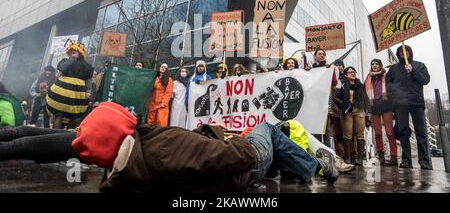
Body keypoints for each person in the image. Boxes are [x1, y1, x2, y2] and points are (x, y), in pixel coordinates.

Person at [0, 101, 339, 192]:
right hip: (244, 167)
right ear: (121, 129)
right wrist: (243, 145)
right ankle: (312, 167)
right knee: (267, 128)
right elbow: (225, 157)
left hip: (231, 171)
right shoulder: (163, 147)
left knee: (275, 136)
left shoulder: (127, 170)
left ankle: (306, 167)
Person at [387, 45, 432, 170]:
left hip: (416, 102)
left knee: (421, 132)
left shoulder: (419, 65)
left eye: (406, 51)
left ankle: (424, 160)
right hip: (401, 104)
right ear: (398, 54)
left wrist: (413, 71)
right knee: (403, 132)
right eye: (401, 51)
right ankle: (406, 160)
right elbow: (388, 84)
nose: (403, 53)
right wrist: (396, 90)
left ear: (410, 52)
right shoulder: (393, 69)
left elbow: (425, 80)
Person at [46, 41, 94, 129]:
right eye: (72, 52)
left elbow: (89, 79)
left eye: (75, 52)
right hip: (61, 93)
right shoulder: (65, 61)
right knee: (59, 115)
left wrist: (88, 91)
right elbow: (62, 68)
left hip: (77, 94)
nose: (73, 53)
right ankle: (55, 135)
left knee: (75, 118)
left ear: (80, 53)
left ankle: (70, 137)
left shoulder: (86, 66)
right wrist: (72, 59)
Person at [364, 59, 397, 166]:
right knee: (377, 133)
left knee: (389, 133)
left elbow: (392, 90)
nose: (374, 65)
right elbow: (365, 94)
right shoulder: (368, 78)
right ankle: (381, 157)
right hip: (374, 107)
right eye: (372, 64)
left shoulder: (386, 76)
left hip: (386, 106)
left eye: (376, 64)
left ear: (380, 65)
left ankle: (393, 157)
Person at [334, 66, 370, 165]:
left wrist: (368, 112)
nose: (353, 73)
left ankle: (359, 158)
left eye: (354, 72)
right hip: (347, 112)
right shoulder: (342, 84)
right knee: (347, 135)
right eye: (350, 72)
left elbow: (365, 98)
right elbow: (335, 97)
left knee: (360, 135)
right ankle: (348, 158)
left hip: (359, 111)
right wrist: (343, 106)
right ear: (345, 75)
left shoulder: (360, 85)